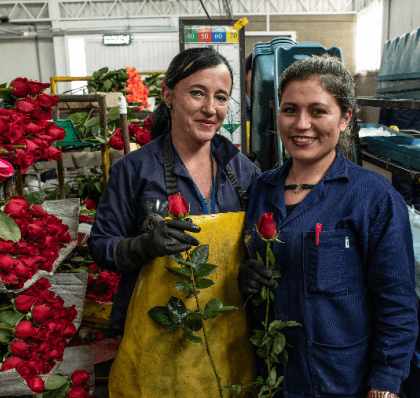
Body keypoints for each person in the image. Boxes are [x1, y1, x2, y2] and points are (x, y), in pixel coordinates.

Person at [237, 54, 419, 398]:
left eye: (318, 111)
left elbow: (397, 301)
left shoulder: (373, 197)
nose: (301, 124)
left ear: (346, 118)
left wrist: (385, 383)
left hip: (342, 381)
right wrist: (245, 276)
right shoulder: (262, 188)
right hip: (272, 379)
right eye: (289, 110)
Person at [87, 47, 261, 397]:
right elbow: (101, 245)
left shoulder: (242, 171)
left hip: (228, 335)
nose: (210, 109)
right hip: (157, 335)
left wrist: (253, 269)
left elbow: (256, 242)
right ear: (168, 94)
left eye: (221, 97)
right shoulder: (133, 172)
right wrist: (143, 245)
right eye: (197, 93)